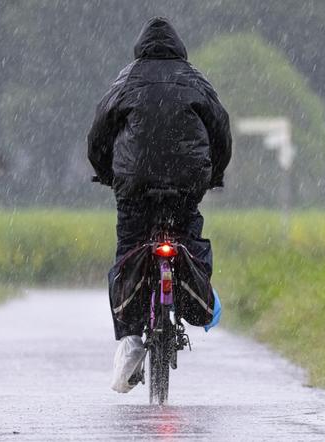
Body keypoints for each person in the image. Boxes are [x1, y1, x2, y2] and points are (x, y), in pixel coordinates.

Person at [87, 17, 232, 393]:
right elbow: (221, 130)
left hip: (134, 184)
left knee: (128, 251)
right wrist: (213, 175)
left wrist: (108, 173)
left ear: (141, 49)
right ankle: (188, 289)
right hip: (187, 182)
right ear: (179, 49)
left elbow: (99, 132)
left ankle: (131, 335)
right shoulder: (195, 80)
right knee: (188, 236)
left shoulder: (127, 79)